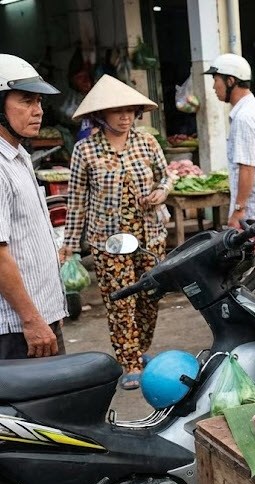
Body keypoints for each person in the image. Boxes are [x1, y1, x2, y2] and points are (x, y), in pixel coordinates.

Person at [63, 74, 170, 389]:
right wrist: (69, 246)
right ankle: (130, 362)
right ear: (101, 115)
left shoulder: (147, 142)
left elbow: (166, 177)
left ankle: (141, 348)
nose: (125, 117)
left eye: (130, 110)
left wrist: (161, 193)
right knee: (121, 302)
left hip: (150, 237)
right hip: (108, 242)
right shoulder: (85, 151)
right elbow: (76, 202)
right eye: (117, 111)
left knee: (151, 297)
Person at [0, 54, 67, 360]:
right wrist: (32, 319)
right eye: (26, 100)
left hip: (39, 317)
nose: (38, 111)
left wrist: (52, 309)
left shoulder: (19, 155)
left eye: (39, 101)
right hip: (17, 329)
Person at [204, 53, 255, 227]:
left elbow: (247, 168)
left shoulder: (244, 118)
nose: (213, 87)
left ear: (230, 81)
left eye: (215, 79)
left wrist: (238, 210)